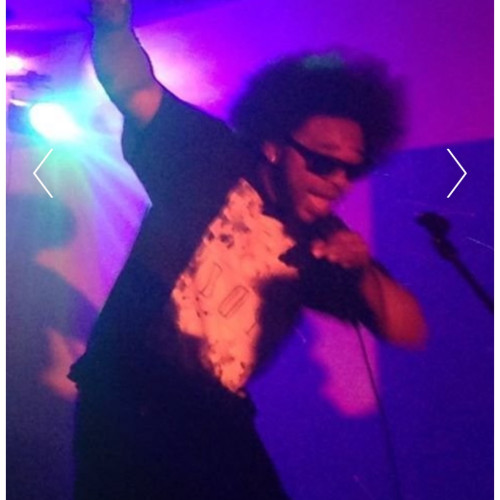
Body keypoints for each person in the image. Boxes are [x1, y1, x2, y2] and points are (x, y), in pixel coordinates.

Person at [69, 1, 427, 499]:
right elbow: (133, 87)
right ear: (275, 146)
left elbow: (409, 329)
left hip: (216, 416)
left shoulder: (323, 242)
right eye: (324, 162)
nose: (339, 181)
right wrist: (111, 23)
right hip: (129, 390)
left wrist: (364, 271)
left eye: (353, 169)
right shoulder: (210, 156)